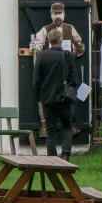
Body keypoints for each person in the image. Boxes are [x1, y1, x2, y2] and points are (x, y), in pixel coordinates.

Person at [33, 27, 75, 157]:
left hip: (47, 97)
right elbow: (74, 79)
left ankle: (52, 157)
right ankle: (66, 155)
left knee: (50, 130)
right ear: (61, 40)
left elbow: (36, 80)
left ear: (49, 41)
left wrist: (38, 96)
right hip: (65, 97)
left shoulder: (42, 56)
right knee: (66, 127)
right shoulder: (68, 55)